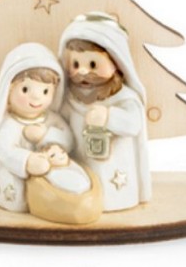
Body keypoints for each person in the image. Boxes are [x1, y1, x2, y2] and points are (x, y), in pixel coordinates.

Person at [59, 12, 152, 211]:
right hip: (80, 170)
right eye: (76, 64)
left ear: (116, 62)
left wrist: (109, 117)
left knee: (110, 195)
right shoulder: (70, 98)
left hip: (116, 177)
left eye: (93, 64)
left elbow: (134, 124)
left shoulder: (124, 97)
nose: (83, 71)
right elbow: (61, 124)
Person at [0, 43, 73, 212]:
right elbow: (5, 150)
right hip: (15, 172)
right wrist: (27, 161)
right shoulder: (10, 124)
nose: (36, 98)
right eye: (25, 89)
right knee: (19, 196)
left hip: (50, 168)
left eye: (45, 91)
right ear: (9, 89)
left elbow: (68, 139)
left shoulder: (52, 119)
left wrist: (46, 136)